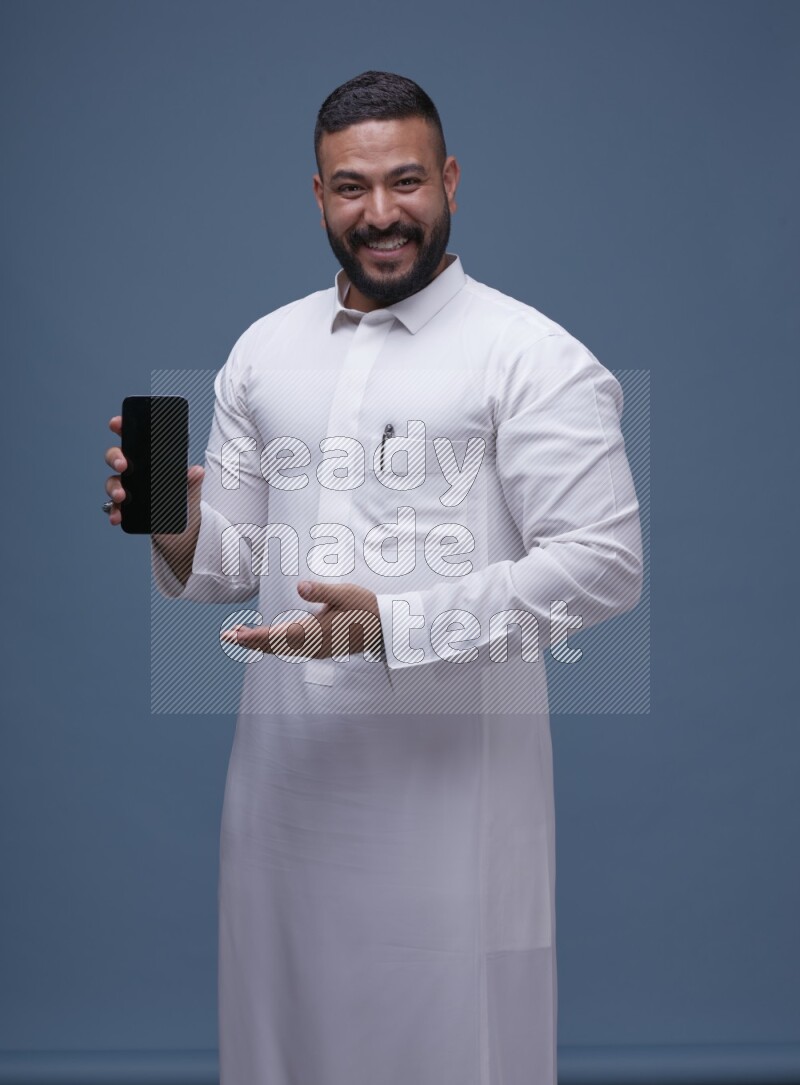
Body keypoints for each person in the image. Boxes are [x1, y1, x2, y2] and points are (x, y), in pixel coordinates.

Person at [104, 71, 642, 1085]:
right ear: (316, 195)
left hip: (451, 809)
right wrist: (175, 527)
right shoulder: (264, 349)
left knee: (446, 1049)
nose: (381, 212)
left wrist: (392, 624)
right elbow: (232, 564)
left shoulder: (527, 354)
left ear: (448, 180)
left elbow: (602, 564)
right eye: (351, 188)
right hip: (280, 792)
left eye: (406, 182)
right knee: (278, 1046)